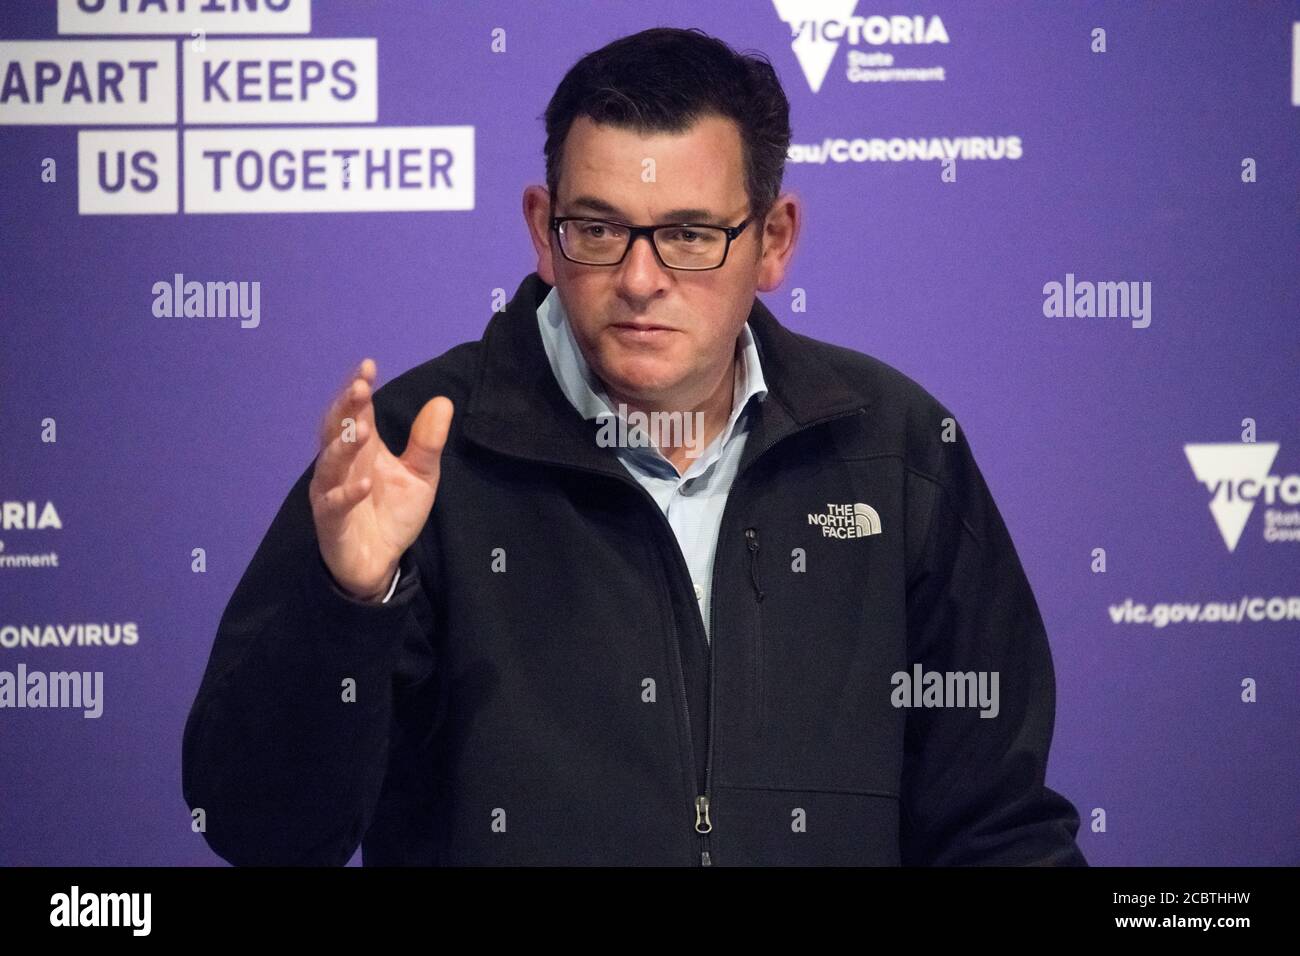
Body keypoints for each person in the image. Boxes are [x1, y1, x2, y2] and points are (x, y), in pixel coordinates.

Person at [182, 26, 1087, 866]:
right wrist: (352, 603)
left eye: (691, 235)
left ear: (773, 241)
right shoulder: (414, 453)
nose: (641, 281)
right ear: (544, 229)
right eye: (600, 230)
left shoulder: (895, 451)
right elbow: (258, 828)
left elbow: (996, 831)